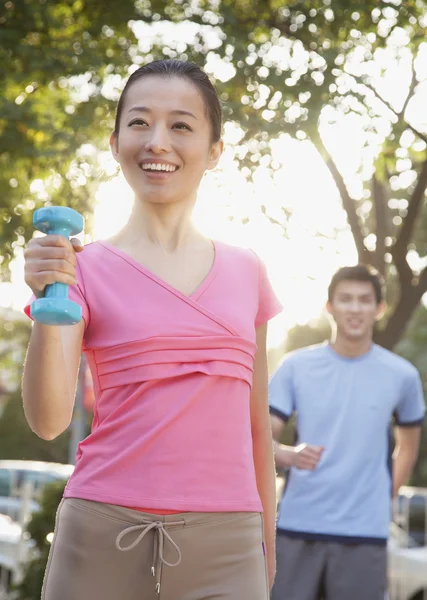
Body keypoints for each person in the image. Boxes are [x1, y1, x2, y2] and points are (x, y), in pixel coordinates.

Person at [22, 59, 282, 600]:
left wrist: (266, 547)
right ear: (116, 142)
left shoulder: (247, 270)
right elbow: (48, 421)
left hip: (228, 546)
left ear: (215, 150)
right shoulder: (79, 267)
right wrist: (48, 294)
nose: (157, 141)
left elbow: (257, 429)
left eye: (181, 125)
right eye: (139, 123)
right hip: (100, 536)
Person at [269, 265, 425, 600]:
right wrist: (288, 455)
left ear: (378, 308)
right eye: (346, 299)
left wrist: (383, 495)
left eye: (365, 300)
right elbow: (261, 438)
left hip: (364, 533)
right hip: (298, 527)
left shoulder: (403, 376)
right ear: (330, 307)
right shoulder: (295, 367)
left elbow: (408, 446)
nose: (355, 308)